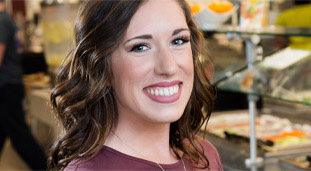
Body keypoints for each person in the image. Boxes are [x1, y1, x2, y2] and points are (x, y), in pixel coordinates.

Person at [48, 0, 222, 170]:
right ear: (101, 67)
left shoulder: (205, 155)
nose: (169, 67)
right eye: (140, 47)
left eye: (178, 41)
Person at [0, 0, 47, 170]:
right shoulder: (5, 19)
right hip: (7, 85)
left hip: (7, 87)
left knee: (20, 137)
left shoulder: (2, 20)